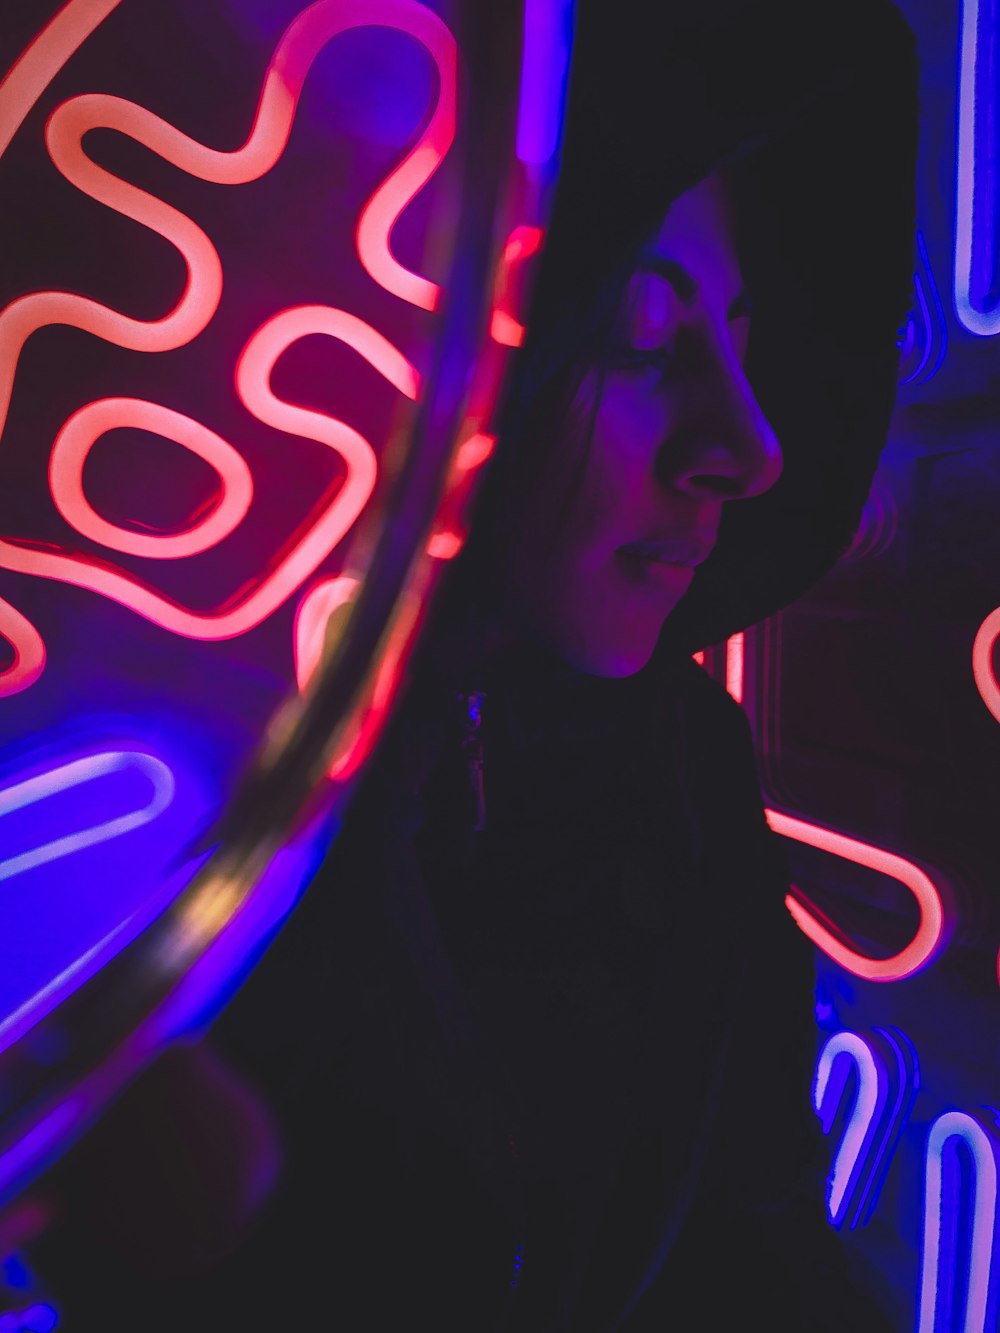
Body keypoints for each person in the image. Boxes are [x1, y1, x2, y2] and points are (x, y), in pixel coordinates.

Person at [24, 0, 918, 1328]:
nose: (749, 443)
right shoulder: (144, 810)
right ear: (466, 355)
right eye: (640, 339)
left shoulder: (683, 765)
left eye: (740, 334)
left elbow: (760, 1241)